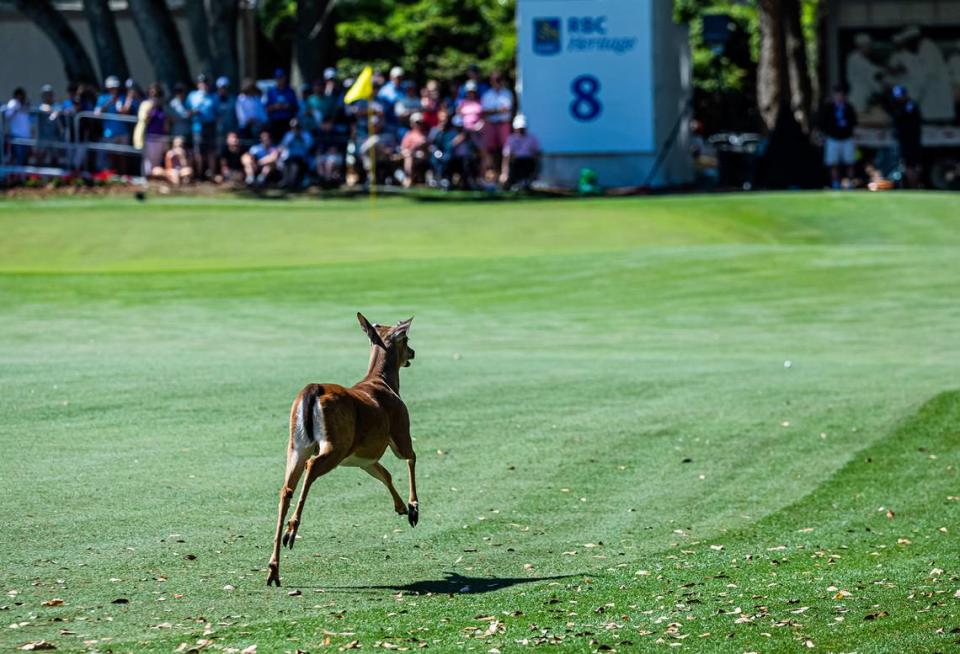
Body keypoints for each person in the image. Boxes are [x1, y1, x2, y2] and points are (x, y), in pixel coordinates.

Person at [818, 84, 858, 189]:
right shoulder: (828, 108)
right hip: (833, 138)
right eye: (837, 94)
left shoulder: (849, 107)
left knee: (850, 162)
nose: (839, 97)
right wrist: (824, 135)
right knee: (833, 163)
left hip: (847, 138)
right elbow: (822, 122)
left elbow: (854, 123)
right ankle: (836, 184)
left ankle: (850, 184)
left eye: (841, 94)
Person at [889, 85, 923, 187]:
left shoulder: (910, 106)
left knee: (911, 164)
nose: (898, 98)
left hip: (911, 140)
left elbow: (908, 121)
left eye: (899, 96)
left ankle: (914, 185)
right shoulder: (900, 106)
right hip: (903, 140)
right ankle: (910, 184)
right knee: (907, 164)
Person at [480, 71, 513, 174]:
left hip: (504, 123)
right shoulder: (487, 95)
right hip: (490, 124)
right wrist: (498, 110)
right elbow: (485, 112)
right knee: (490, 150)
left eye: (499, 80)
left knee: (505, 150)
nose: (497, 82)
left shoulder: (507, 93)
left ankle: (504, 173)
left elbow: (507, 109)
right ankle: (490, 174)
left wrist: (493, 111)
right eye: (495, 80)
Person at [134, 83, 169, 178]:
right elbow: (143, 119)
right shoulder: (146, 105)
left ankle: (155, 179)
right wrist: (151, 107)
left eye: (157, 94)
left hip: (161, 136)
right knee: (148, 160)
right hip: (150, 136)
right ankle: (147, 178)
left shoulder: (162, 107)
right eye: (152, 94)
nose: (154, 97)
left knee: (157, 160)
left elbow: (165, 122)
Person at [187, 74, 219, 178]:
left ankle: (212, 174)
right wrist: (193, 112)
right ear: (198, 84)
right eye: (202, 83)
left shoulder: (213, 97)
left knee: (211, 151)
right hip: (197, 127)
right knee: (198, 151)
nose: (204, 85)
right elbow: (187, 112)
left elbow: (217, 113)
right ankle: (199, 174)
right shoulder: (192, 96)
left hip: (210, 126)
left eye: (205, 83)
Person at [846, 33, 884, 114]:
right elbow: (873, 73)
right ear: (861, 46)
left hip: (866, 97)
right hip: (858, 97)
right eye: (868, 46)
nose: (870, 49)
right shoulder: (855, 59)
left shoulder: (864, 60)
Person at [500, 114, 540, 190]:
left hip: (528, 162)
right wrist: (505, 173)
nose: (521, 130)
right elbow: (506, 157)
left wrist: (536, 172)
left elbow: (536, 155)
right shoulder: (511, 139)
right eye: (519, 128)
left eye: (522, 128)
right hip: (516, 163)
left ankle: (526, 182)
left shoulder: (532, 138)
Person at [278, 118, 314, 189]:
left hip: (302, 159)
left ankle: (293, 182)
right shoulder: (288, 135)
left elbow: (309, 146)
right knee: (286, 165)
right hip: (289, 158)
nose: (295, 129)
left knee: (295, 166)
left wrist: (301, 139)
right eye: (293, 127)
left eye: (296, 127)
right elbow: (283, 145)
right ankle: (286, 181)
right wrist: (292, 139)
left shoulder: (306, 135)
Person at [265, 69, 299, 141]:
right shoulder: (271, 91)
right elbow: (267, 108)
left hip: (287, 122)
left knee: (287, 143)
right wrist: (275, 107)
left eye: (281, 77)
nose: (279, 79)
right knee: (275, 142)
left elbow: (295, 107)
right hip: (274, 122)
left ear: (285, 78)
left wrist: (286, 106)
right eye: (277, 78)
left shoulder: (290, 91)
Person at [400, 112, 430, 186]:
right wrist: (416, 147)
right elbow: (404, 149)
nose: (419, 124)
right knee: (409, 157)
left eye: (420, 122)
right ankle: (408, 178)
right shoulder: (409, 135)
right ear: (412, 123)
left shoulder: (426, 134)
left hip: (426, 156)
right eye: (417, 122)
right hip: (413, 155)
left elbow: (430, 147)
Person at [314, 117, 347, 186]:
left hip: (336, 155)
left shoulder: (336, 133)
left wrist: (335, 149)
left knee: (329, 163)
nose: (326, 125)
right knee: (319, 161)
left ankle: (328, 181)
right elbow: (318, 148)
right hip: (324, 154)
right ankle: (323, 180)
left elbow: (341, 147)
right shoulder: (321, 133)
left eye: (327, 123)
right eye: (324, 124)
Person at [4, 87, 32, 166]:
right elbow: (7, 115)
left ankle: (22, 177)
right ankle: (16, 177)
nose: (21, 97)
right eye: (19, 95)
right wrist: (16, 109)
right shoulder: (13, 103)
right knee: (18, 159)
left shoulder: (25, 104)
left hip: (26, 137)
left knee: (25, 159)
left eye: (22, 95)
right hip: (17, 136)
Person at [215, 77, 237, 145]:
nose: (222, 90)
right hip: (218, 132)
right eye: (220, 88)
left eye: (224, 87)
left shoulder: (233, 100)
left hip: (231, 130)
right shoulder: (214, 99)